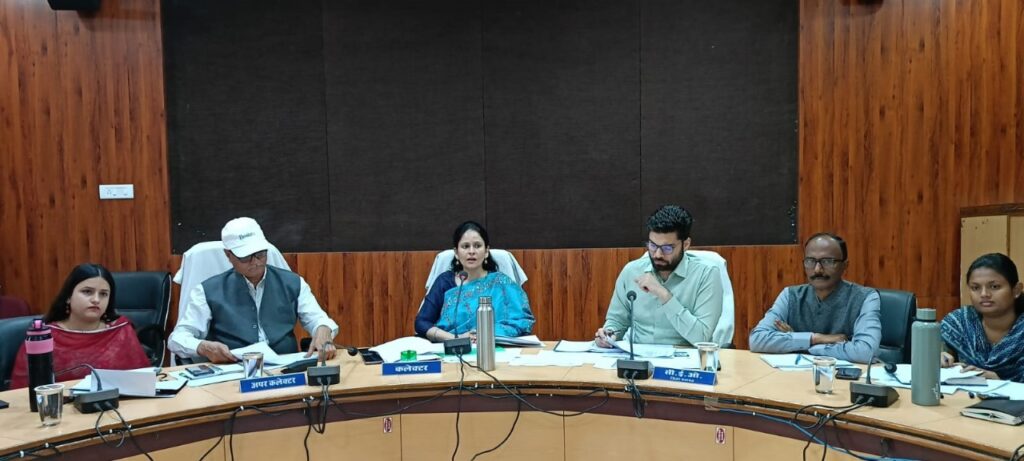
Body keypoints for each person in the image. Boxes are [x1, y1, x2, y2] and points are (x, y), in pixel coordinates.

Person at [168, 217, 339, 363]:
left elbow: (317, 318)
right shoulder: (206, 291)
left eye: (260, 254)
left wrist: (323, 328)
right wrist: (203, 347)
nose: (256, 262)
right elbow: (177, 338)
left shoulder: (292, 282)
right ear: (228, 255)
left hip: (286, 369)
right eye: (246, 257)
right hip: (234, 371)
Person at [594, 205, 723, 347]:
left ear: (686, 244)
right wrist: (608, 335)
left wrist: (663, 294)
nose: (657, 254)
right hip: (638, 357)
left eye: (667, 248)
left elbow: (702, 338)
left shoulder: (706, 274)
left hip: (684, 358)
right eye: (653, 245)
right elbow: (617, 321)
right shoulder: (632, 271)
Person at [9, 264, 150, 388]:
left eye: (103, 294)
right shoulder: (43, 337)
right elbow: (21, 393)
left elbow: (143, 383)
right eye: (87, 292)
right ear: (68, 296)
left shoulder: (120, 331)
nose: (96, 299)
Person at [748, 233, 880, 363]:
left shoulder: (866, 297)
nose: (817, 270)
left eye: (827, 261)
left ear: (845, 265)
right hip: (796, 374)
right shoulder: (790, 295)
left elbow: (865, 352)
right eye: (810, 261)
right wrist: (815, 338)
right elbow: (757, 340)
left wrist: (799, 343)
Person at [415, 221, 534, 341]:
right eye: (465, 246)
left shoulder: (501, 283)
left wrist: (484, 334)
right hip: (453, 347)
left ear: (486, 251)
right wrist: (456, 338)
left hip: (494, 346)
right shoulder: (444, 282)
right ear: (456, 253)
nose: (471, 251)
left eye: (477, 246)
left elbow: (522, 321)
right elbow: (422, 323)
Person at [941, 253, 1024, 382]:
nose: (984, 294)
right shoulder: (960, 321)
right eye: (976, 288)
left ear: (1016, 290)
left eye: (994, 287)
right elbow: (935, 351)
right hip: (962, 394)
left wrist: (998, 380)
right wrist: (938, 357)